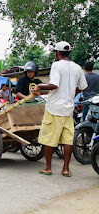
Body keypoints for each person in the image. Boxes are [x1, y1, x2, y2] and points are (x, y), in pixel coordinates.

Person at [33, 41, 88, 177]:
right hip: (68, 109)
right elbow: (83, 87)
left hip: (54, 109)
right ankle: (66, 169)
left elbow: (54, 85)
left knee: (49, 140)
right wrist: (71, 94)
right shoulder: (77, 68)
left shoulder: (56, 65)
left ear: (57, 53)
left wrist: (39, 87)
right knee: (67, 140)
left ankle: (48, 168)